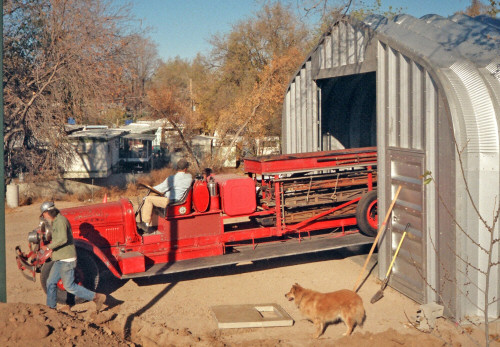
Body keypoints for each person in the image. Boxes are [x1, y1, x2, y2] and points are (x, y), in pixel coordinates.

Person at [40, 201, 106, 311]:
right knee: (50, 282)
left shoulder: (61, 221)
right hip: (59, 258)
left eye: (44, 214)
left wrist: (48, 247)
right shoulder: (55, 221)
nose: (43, 216)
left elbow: (63, 239)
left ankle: (96, 297)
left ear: (48, 212)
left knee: (69, 286)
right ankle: (51, 308)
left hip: (67, 259)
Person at [141, 158, 193, 226]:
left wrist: (150, 189)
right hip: (177, 199)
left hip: (170, 201)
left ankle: (146, 223)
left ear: (177, 168)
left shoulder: (172, 178)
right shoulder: (189, 178)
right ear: (186, 169)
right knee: (153, 198)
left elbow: (161, 188)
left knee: (148, 199)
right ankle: (153, 223)